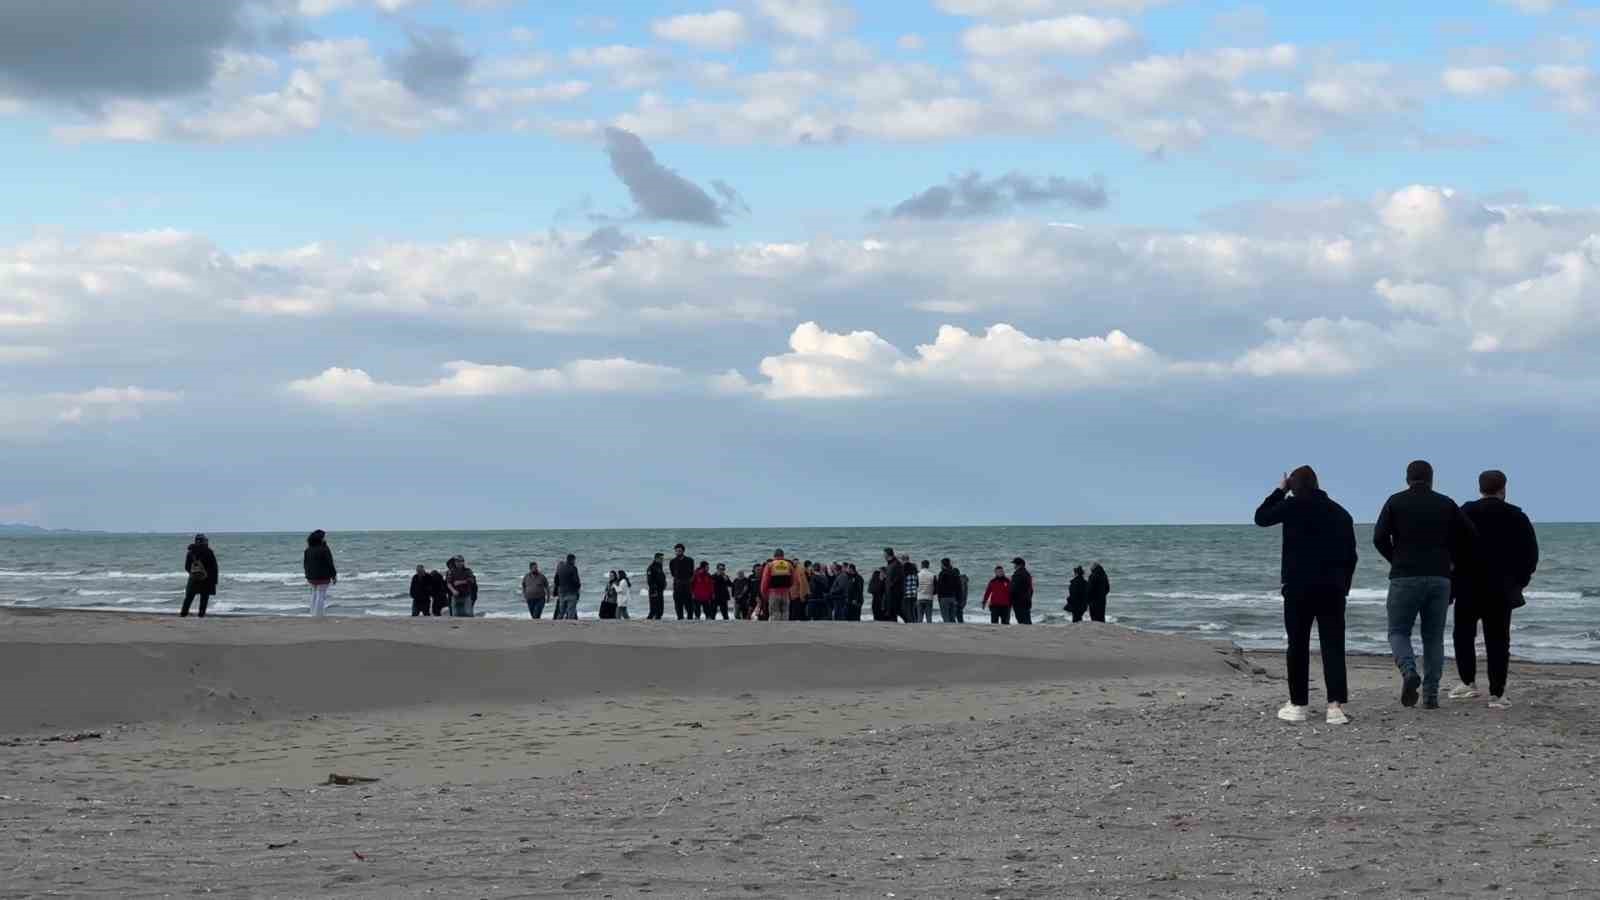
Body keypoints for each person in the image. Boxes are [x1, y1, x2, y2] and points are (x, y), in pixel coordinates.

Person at [1254, 465, 1359, 725]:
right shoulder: (1340, 513)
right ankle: (1335, 706)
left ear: (1293, 485)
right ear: (1317, 483)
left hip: (1298, 587)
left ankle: (1298, 704)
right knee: (1333, 646)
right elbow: (1351, 556)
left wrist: (1279, 491)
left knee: (1297, 645)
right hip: (1332, 589)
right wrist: (1344, 586)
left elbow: (1261, 517)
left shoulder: (1292, 506)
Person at [1374, 460, 1477, 710]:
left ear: (1407, 479)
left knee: (1398, 631)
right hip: (1440, 578)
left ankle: (1409, 671)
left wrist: (1396, 558)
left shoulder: (1395, 501)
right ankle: (1430, 696)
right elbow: (1470, 535)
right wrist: (1451, 561)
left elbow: (1379, 538)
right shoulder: (1446, 503)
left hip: (1404, 576)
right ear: (1432, 479)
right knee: (1433, 638)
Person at [1451, 470, 1539, 709]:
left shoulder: (1464, 512)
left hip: (1467, 585)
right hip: (1501, 588)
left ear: (1480, 487)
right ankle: (1497, 694)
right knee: (1498, 640)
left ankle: (1468, 682)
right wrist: (1519, 582)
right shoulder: (1516, 516)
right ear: (1504, 488)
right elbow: (1530, 554)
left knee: (1463, 635)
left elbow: (1451, 547)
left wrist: (1453, 580)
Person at [181, 534, 219, 618]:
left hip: (193, 578)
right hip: (207, 579)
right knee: (204, 598)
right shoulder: (209, 551)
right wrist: (214, 580)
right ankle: (201, 615)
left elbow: (187, 567)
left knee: (189, 597)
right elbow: (214, 567)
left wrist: (193, 574)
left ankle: (183, 614)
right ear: (204, 541)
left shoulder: (190, 552)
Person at [303, 530, 336, 617]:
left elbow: (305, 564)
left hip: (311, 577)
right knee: (321, 595)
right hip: (323, 576)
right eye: (324, 536)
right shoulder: (324, 549)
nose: (325, 538)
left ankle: (312, 613)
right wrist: (334, 575)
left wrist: (307, 575)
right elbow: (330, 562)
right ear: (320, 538)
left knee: (314, 594)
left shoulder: (308, 549)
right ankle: (318, 615)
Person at [759, 549, 797, 623]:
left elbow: (765, 582)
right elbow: (793, 580)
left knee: (774, 613)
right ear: (783, 555)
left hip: (773, 593)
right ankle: (784, 629)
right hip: (785, 593)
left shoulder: (770, 565)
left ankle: (775, 630)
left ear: (774, 556)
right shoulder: (789, 565)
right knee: (785, 612)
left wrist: (765, 594)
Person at [670, 544, 696, 620]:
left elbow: (691, 573)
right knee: (678, 605)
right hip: (677, 585)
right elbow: (672, 573)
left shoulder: (690, 560)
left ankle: (690, 619)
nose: (678, 552)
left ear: (683, 551)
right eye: (677, 551)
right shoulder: (672, 561)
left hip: (687, 585)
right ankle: (680, 618)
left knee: (689, 605)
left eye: (680, 551)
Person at [554, 553, 582, 620]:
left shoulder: (560, 568)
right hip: (571, 592)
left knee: (561, 611)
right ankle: (569, 627)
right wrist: (578, 588)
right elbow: (576, 581)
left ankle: (558, 625)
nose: (575, 562)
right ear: (572, 560)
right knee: (570, 611)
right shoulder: (573, 568)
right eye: (574, 560)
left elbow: (556, 580)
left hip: (561, 592)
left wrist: (558, 588)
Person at [934, 559, 962, 624]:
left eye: (941, 564)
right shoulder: (954, 573)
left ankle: (949, 632)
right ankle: (954, 631)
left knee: (946, 618)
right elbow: (959, 587)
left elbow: (939, 588)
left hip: (944, 598)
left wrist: (939, 599)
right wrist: (958, 599)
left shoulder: (942, 574)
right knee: (952, 618)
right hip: (953, 598)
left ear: (943, 565)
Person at [884, 549, 907, 623]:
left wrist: (891, 584)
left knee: (899, 611)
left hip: (896, 593)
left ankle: (910, 622)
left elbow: (899, 577)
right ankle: (894, 625)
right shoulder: (890, 564)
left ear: (888, 554)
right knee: (892, 612)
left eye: (884, 554)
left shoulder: (897, 564)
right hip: (890, 593)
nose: (883, 556)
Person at [1010, 557, 1034, 625]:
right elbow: (1031, 589)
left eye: (1014, 564)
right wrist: (1029, 597)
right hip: (1026, 600)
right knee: (1026, 618)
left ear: (1019, 565)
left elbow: (1013, 588)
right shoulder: (1027, 574)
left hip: (1019, 601)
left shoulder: (1018, 574)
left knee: (1022, 620)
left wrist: (1011, 598)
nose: (1014, 566)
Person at [646, 553, 667, 620]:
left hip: (660, 590)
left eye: (662, 559)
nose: (662, 560)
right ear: (656, 558)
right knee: (654, 608)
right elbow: (650, 580)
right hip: (654, 590)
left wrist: (664, 583)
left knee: (660, 608)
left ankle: (658, 618)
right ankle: (650, 620)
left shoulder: (659, 566)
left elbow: (661, 577)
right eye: (661, 559)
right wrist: (654, 590)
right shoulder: (651, 567)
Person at [901, 555, 919, 624]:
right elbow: (917, 583)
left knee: (907, 610)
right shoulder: (914, 569)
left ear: (903, 560)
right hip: (914, 593)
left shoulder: (903, 568)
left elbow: (902, 582)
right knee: (913, 609)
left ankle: (909, 622)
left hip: (906, 593)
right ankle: (915, 622)